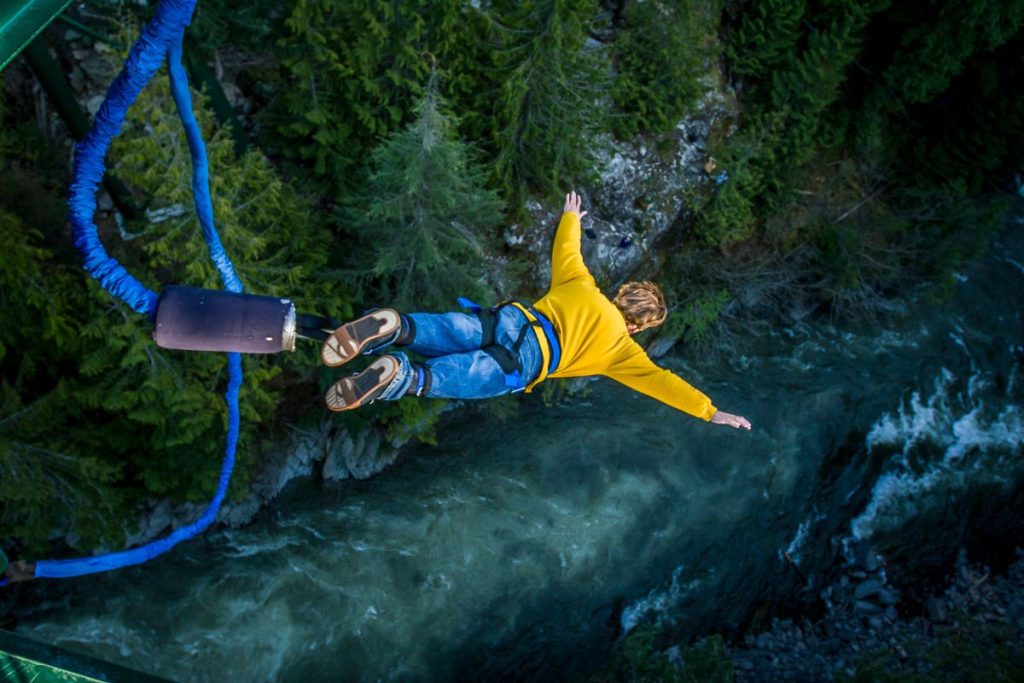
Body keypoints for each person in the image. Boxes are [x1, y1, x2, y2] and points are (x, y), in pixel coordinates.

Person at [320, 191, 751, 430]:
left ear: (622, 294)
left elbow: (567, 249)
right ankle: (401, 374)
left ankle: (396, 326)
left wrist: (572, 217)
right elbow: (663, 384)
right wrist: (710, 411)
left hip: (512, 319)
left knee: (452, 329)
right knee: (450, 378)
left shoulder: (581, 284)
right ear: (638, 326)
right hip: (528, 361)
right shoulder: (622, 351)